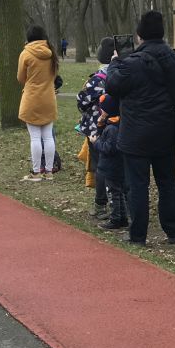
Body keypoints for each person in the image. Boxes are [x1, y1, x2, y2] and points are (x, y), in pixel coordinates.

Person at [105, 10, 175, 246]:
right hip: (166, 130)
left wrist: (114, 62)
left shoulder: (130, 64)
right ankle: (174, 231)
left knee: (137, 185)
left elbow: (112, 86)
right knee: (167, 182)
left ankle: (138, 234)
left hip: (136, 133)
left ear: (139, 35)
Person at [76, 37, 112, 218]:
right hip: (118, 127)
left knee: (100, 166)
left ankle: (101, 204)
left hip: (96, 130)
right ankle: (119, 204)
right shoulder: (123, 75)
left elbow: (82, 102)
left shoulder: (96, 80)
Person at [17, 25, 59, 181]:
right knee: (48, 137)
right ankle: (49, 171)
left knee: (35, 138)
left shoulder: (25, 54)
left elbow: (20, 78)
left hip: (32, 99)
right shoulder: (51, 53)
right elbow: (55, 75)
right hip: (49, 98)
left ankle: (36, 172)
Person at [92, 94, 127, 230]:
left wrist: (96, 142)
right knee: (119, 192)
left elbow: (109, 148)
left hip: (111, 166)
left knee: (113, 193)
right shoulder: (113, 123)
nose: (100, 110)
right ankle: (122, 218)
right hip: (115, 165)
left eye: (102, 108)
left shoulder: (112, 128)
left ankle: (115, 219)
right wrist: (100, 123)